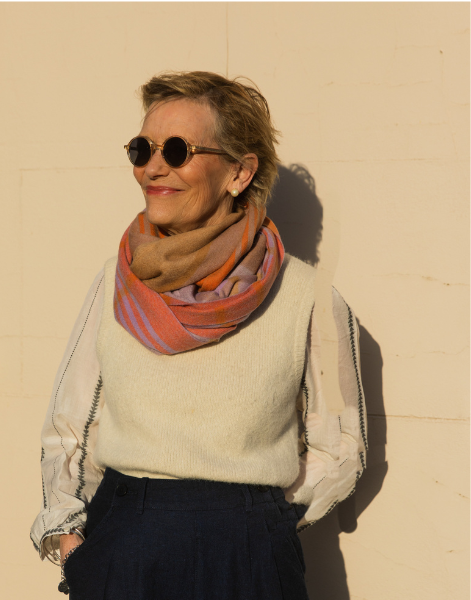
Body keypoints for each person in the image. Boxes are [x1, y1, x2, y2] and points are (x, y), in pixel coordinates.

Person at [30, 71, 367, 600]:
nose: (152, 167)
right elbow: (72, 426)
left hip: (249, 554)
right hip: (124, 543)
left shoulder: (308, 297)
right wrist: (76, 547)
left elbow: (340, 447)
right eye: (141, 149)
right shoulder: (115, 283)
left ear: (238, 172)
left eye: (177, 149)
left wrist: (257, 526)